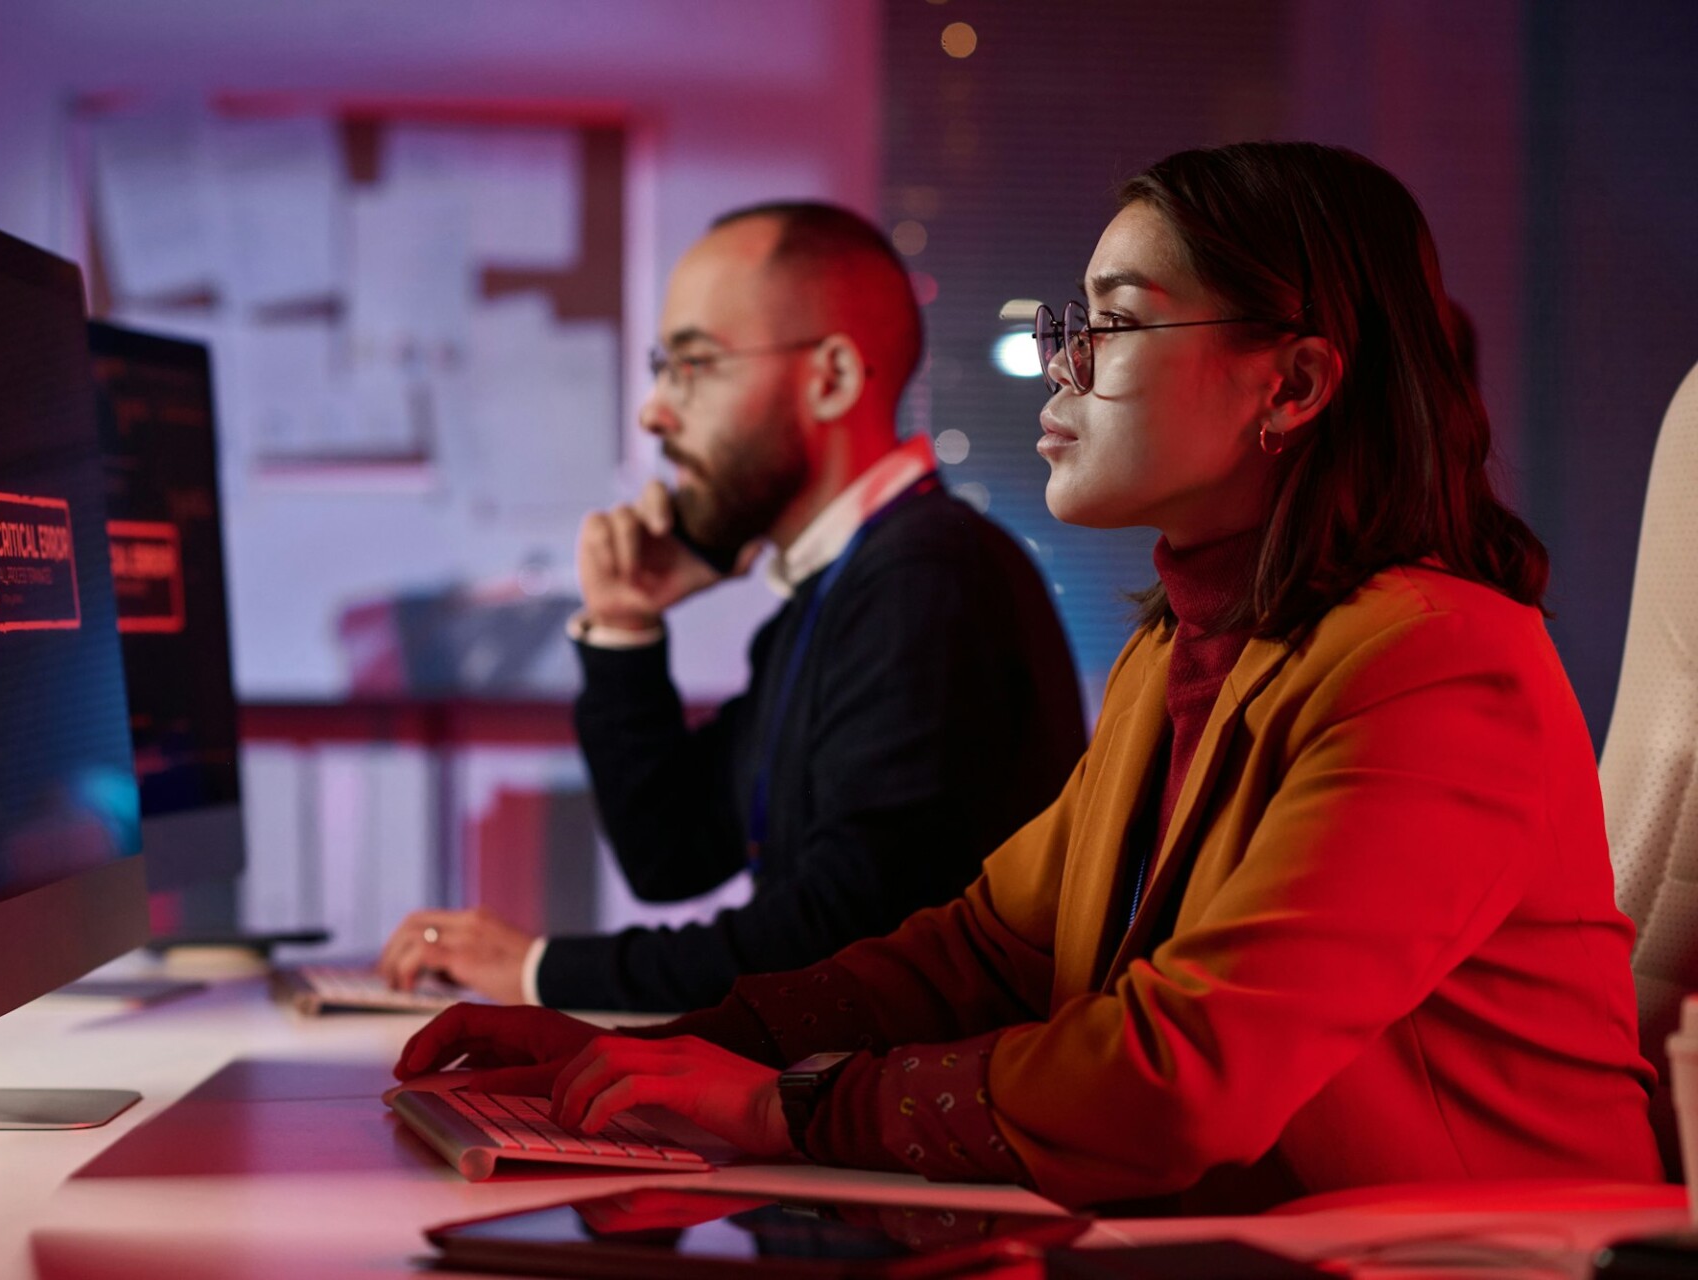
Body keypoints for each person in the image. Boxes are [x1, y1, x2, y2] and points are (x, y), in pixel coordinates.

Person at [388, 143, 1662, 1212]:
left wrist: (782, 1105)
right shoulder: (1183, 650)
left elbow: (1183, 1074)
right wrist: (672, 1046)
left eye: (1109, 321)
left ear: (1294, 383)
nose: (1061, 364)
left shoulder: (1437, 662)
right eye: (1069, 322)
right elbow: (981, 951)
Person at [377, 202, 1087, 1012]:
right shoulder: (839, 587)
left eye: (693, 365)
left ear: (831, 379)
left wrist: (539, 970)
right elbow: (671, 855)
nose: (654, 412)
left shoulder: (925, 580)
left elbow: (844, 939)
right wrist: (625, 626)